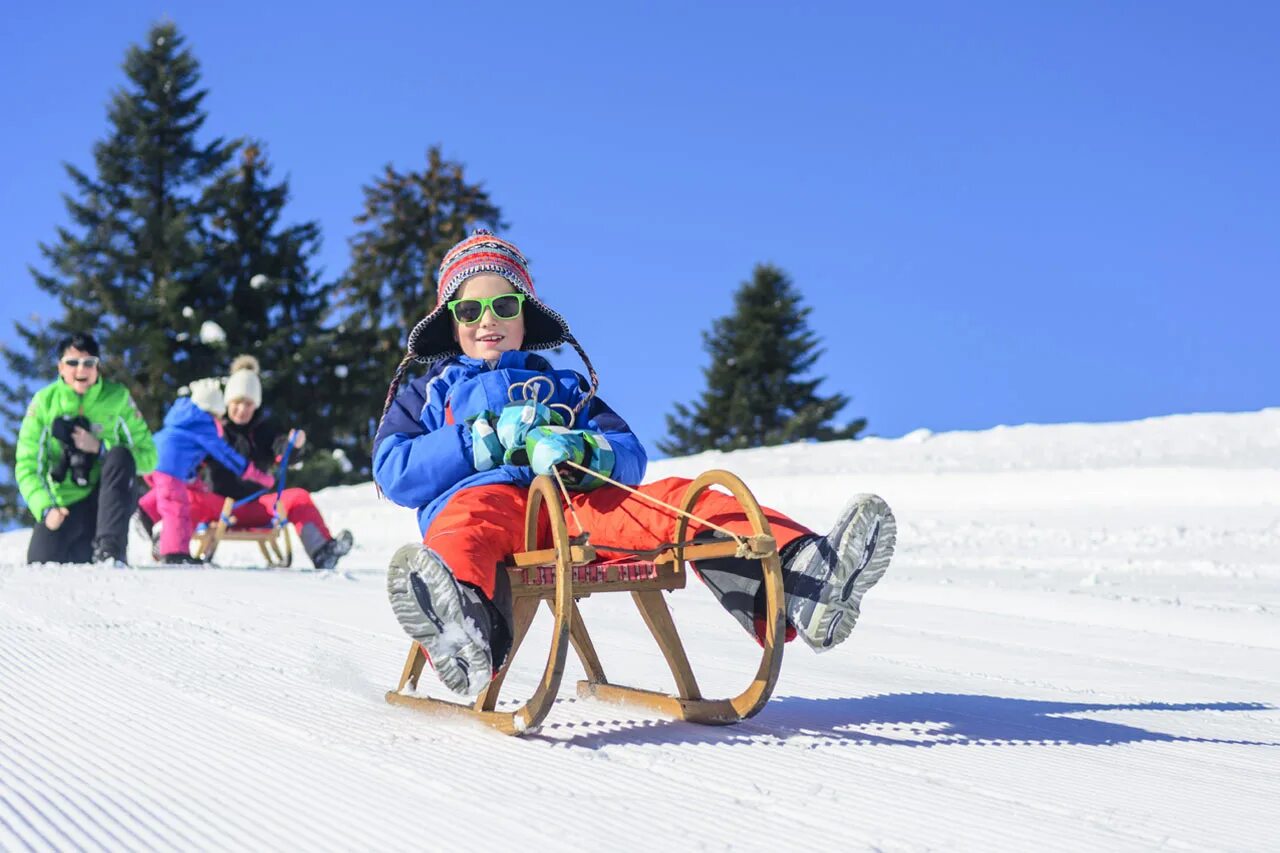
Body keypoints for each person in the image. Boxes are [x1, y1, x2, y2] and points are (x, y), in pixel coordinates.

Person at [374, 231, 898, 697]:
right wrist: (476, 444)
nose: (488, 320)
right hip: (483, 502)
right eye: (470, 311)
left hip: (572, 506)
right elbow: (393, 469)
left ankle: (806, 577)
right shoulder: (428, 392)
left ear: (524, 316)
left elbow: (628, 453)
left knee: (674, 500)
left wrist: (582, 451)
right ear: (451, 322)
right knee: (462, 533)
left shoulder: (565, 387)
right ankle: (463, 629)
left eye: (504, 306)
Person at [15, 333, 157, 565]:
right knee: (41, 565)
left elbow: (149, 459)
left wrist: (101, 448)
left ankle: (110, 551)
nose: (81, 369)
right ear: (61, 367)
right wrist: (45, 508)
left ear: (97, 367)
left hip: (104, 505)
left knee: (120, 455)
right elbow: (27, 465)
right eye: (73, 362)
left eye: (89, 362)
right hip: (62, 505)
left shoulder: (117, 398)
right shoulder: (44, 402)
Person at [143, 378, 273, 564]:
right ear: (215, 411)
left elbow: (185, 457)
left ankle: (147, 509)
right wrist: (258, 475)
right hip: (169, 468)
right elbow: (227, 456)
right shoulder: (205, 425)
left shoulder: (185, 417)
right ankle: (174, 553)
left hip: (153, 460)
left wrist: (194, 481)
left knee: (171, 495)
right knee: (177, 508)